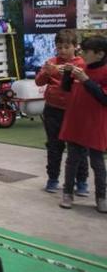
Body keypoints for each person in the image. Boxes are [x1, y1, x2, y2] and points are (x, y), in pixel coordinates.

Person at [35, 29, 89, 194]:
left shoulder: (81, 64)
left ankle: (81, 182)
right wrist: (46, 71)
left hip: (75, 113)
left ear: (75, 47)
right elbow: (38, 82)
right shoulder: (51, 61)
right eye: (59, 47)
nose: (63, 51)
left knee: (79, 148)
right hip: (52, 110)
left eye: (66, 47)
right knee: (54, 146)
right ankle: (52, 179)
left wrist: (60, 70)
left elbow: (79, 79)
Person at [57, 36, 107, 213]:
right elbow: (67, 88)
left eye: (86, 52)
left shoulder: (104, 72)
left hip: (95, 124)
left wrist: (86, 79)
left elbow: (104, 98)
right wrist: (67, 76)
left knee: (97, 163)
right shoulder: (80, 68)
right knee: (72, 160)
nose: (82, 54)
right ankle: (67, 193)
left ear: (100, 54)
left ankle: (101, 197)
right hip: (75, 122)